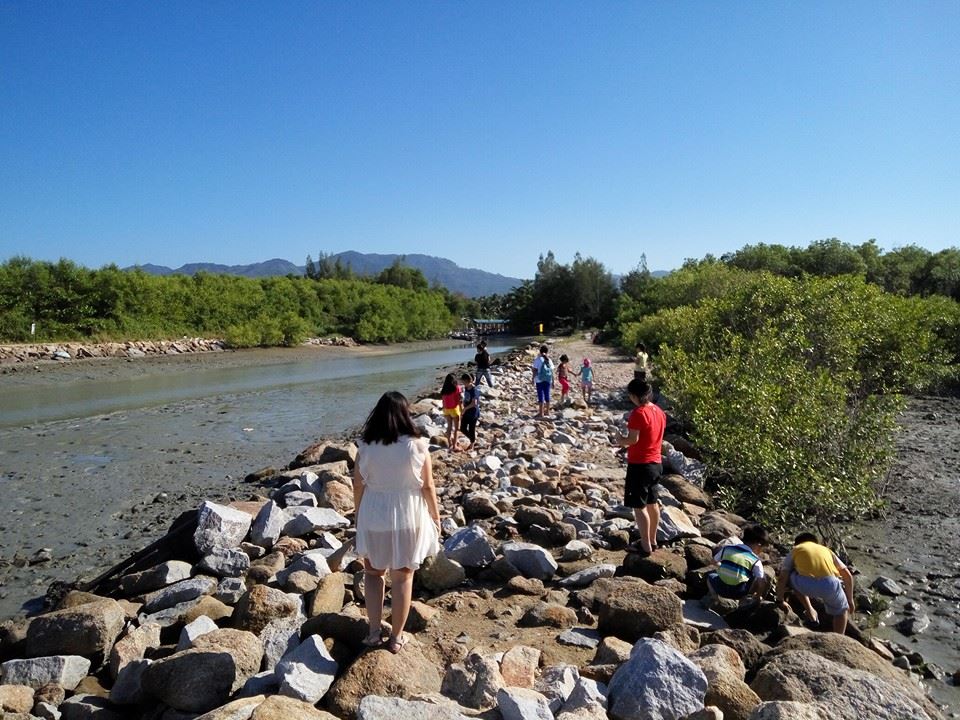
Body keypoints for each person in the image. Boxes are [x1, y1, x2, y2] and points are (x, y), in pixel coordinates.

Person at [353, 391, 441, 653]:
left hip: (374, 514)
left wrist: (359, 515)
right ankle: (396, 637)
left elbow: (358, 485)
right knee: (403, 578)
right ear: (406, 414)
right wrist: (436, 517)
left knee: (372, 573)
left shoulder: (366, 447)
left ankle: (373, 631)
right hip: (408, 514)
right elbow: (428, 486)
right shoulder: (416, 446)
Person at [612, 379, 666, 554]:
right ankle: (652, 540)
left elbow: (633, 439)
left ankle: (645, 546)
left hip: (640, 464)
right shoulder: (659, 411)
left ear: (634, 395)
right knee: (652, 502)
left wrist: (620, 440)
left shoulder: (638, 413)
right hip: (656, 463)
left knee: (639, 505)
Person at [777, 532, 855, 634]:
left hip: (804, 585)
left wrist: (780, 600)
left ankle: (810, 611)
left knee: (790, 573)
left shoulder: (796, 550)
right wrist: (850, 599)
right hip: (830, 584)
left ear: (796, 544)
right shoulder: (826, 550)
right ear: (816, 543)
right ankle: (839, 636)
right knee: (841, 611)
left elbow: (783, 577)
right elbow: (847, 575)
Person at [706, 524, 771, 603]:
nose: (761, 552)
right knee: (755, 576)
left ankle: (714, 595)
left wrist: (722, 566)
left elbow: (713, 562)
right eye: (762, 549)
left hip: (720, 587)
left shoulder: (728, 548)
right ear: (759, 544)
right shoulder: (755, 560)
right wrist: (758, 596)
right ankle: (743, 601)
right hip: (739, 592)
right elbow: (761, 582)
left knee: (710, 575)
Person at [440, 373, 462, 450]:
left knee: (449, 427)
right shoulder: (457, 388)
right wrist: (461, 411)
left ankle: (449, 444)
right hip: (454, 410)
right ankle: (455, 445)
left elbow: (443, 401)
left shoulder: (444, 390)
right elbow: (459, 401)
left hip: (446, 410)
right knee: (456, 429)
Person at [459, 372, 481, 449]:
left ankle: (472, 442)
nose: (463, 383)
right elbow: (466, 398)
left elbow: (474, 403)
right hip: (467, 411)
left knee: (471, 429)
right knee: (462, 428)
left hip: (473, 413)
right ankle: (473, 439)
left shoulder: (475, 390)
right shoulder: (466, 387)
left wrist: (465, 408)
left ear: (468, 381)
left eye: (464, 382)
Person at [531, 344, 553, 418]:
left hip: (539, 379)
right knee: (547, 394)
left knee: (541, 395)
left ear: (540, 352)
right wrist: (553, 381)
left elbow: (534, 371)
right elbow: (551, 371)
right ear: (547, 352)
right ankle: (547, 412)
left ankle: (541, 413)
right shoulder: (549, 360)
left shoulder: (537, 359)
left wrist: (532, 379)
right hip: (548, 379)